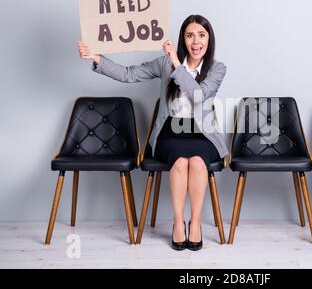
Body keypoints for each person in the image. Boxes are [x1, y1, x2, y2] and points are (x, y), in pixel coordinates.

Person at [77, 14, 228, 251]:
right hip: (170, 132)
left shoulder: (216, 69)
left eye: (201, 35)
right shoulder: (164, 63)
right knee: (179, 163)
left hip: (202, 134)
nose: (196, 41)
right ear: (183, 39)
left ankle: (196, 223)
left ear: (209, 39)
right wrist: (97, 58)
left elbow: (199, 95)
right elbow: (129, 74)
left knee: (198, 163)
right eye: (190, 35)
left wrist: (177, 64)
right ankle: (178, 223)